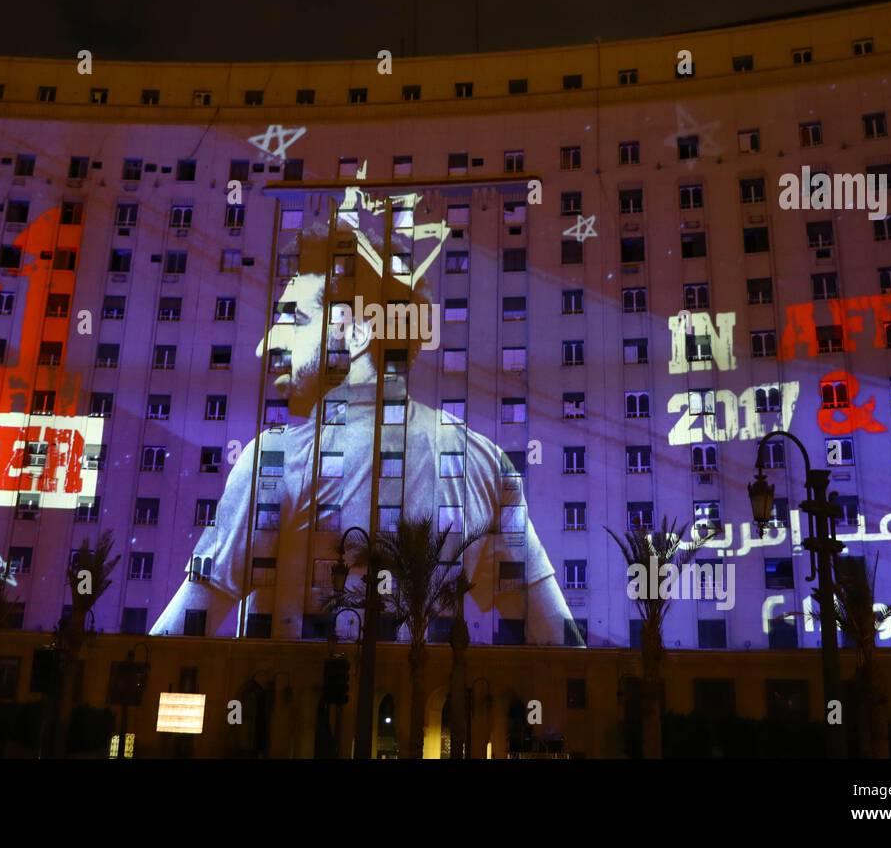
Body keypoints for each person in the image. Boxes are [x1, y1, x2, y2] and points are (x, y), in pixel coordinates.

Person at [151, 215, 580, 646]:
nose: (268, 343)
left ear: (355, 333)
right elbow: (562, 646)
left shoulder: (275, 461)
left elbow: (171, 641)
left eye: (294, 319)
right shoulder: (485, 461)